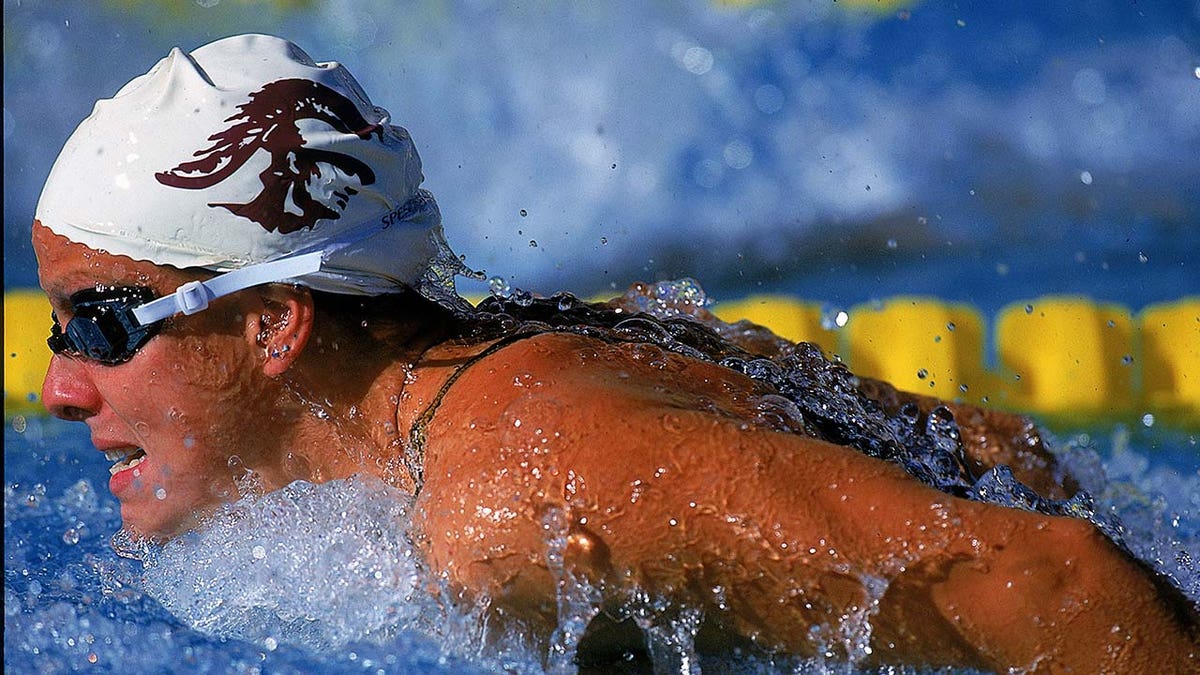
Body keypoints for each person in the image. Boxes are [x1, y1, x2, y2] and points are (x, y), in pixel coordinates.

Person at [33, 34, 1197, 672]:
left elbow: (1062, 582)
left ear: (272, 321)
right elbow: (994, 455)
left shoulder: (519, 496)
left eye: (101, 324)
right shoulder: (510, 358)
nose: (57, 385)